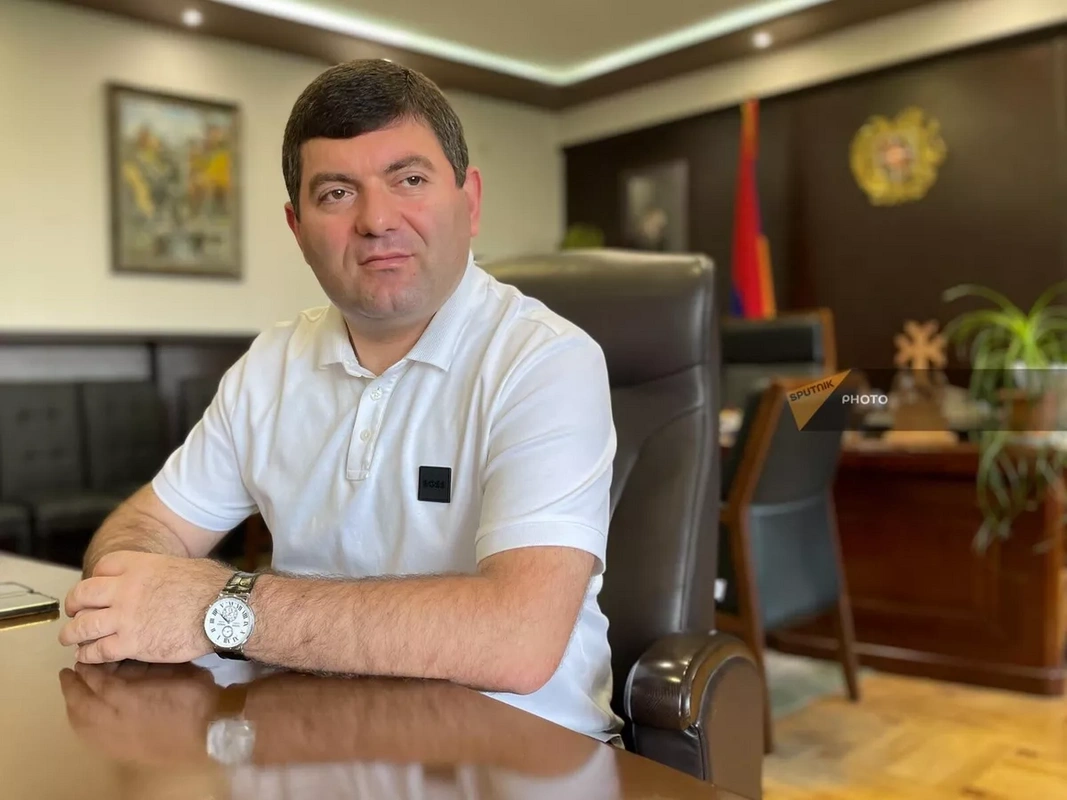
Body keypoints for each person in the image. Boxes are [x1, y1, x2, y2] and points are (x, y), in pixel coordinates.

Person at [58, 59, 622, 744]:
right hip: (307, 745)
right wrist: (140, 584)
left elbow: (517, 638)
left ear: (469, 201)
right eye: (336, 193)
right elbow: (146, 527)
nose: (376, 220)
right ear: (297, 228)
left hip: (516, 758)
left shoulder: (544, 359)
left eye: (409, 180)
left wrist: (218, 605)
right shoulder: (271, 364)